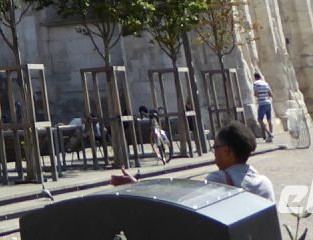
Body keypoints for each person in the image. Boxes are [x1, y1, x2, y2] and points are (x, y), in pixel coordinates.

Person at [111, 121, 274, 201]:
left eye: (215, 148)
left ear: (227, 151)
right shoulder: (265, 184)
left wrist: (136, 186)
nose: (214, 154)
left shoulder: (218, 181)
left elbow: (180, 198)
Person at [252, 72, 274, 142]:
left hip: (262, 103)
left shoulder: (255, 83)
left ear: (255, 77)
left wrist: (259, 96)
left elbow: (255, 94)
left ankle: (268, 134)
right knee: (269, 120)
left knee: (260, 120)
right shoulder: (266, 83)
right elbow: (271, 94)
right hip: (268, 103)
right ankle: (271, 134)